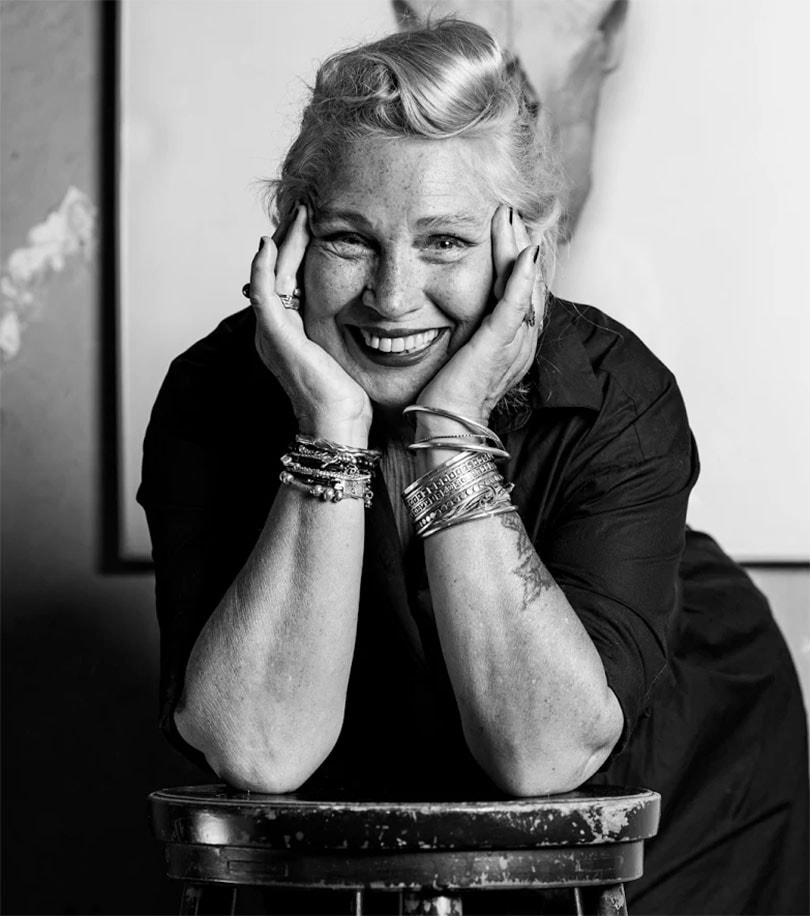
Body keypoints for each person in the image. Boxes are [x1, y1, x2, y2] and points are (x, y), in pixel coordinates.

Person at [138, 19, 808, 915]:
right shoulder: (210, 396)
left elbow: (543, 754)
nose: (391, 297)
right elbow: (260, 750)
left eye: (445, 242)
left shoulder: (620, 393)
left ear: (525, 250)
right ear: (290, 238)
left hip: (686, 760)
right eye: (349, 239)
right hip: (400, 788)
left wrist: (449, 431)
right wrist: (332, 430)